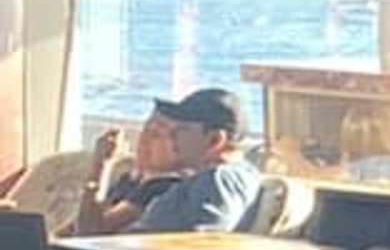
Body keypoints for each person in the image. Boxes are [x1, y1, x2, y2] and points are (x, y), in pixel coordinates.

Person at [84, 87, 270, 237]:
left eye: (182, 131)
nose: (171, 139)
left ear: (214, 140)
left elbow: (202, 239)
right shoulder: (202, 180)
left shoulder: (220, 178)